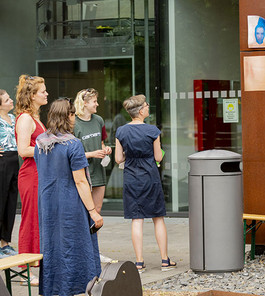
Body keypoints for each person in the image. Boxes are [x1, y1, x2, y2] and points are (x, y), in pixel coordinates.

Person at [35, 98, 103, 296]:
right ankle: (76, 287)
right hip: (70, 201)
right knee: (75, 244)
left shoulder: (41, 141)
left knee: (52, 245)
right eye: (73, 115)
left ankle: (53, 288)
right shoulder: (73, 144)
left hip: (47, 201)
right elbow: (81, 181)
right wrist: (93, 211)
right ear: (69, 116)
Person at [115, 95, 176, 273]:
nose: (148, 108)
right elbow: (158, 157)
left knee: (137, 219)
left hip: (131, 178)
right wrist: (159, 154)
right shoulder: (152, 131)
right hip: (150, 176)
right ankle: (165, 260)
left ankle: (139, 263)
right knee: (158, 218)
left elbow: (118, 158)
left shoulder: (121, 131)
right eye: (147, 106)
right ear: (141, 110)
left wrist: (129, 156)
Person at [73, 88, 114, 263]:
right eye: (94, 101)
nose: (97, 104)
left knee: (96, 213)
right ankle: (83, 251)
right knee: (83, 213)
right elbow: (71, 152)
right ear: (84, 103)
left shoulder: (98, 120)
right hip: (82, 173)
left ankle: (94, 250)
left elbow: (102, 142)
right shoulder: (73, 122)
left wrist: (105, 149)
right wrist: (90, 154)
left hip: (98, 171)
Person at [15, 74, 48, 286]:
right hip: (31, 174)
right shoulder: (26, 118)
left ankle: (36, 262)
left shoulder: (35, 118)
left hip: (40, 173)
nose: (46, 94)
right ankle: (25, 269)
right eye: (43, 91)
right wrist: (48, 147)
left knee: (39, 218)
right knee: (30, 219)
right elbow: (23, 150)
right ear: (32, 95)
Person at [0, 89, 19, 258]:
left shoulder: (13, 118)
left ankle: (6, 243)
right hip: (2, 161)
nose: (11, 101)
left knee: (11, 202)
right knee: (0, 201)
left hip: (15, 160)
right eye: (7, 100)